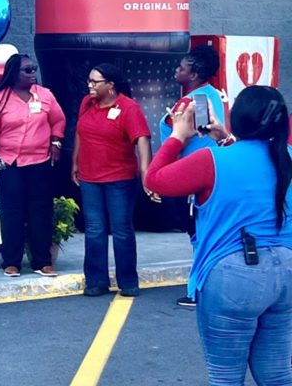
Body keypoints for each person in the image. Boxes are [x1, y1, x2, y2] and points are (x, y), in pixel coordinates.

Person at [145, 87, 292, 385]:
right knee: (276, 373)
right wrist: (225, 138)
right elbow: (255, 162)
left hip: (233, 274)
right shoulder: (286, 156)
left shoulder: (210, 162)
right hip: (286, 272)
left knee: (226, 375)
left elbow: (155, 180)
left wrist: (177, 135)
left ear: (237, 118)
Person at [72, 63, 158, 297]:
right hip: (90, 177)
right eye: (89, 80)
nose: (89, 85)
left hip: (119, 178)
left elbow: (142, 140)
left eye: (94, 82)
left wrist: (145, 174)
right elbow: (80, 132)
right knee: (94, 229)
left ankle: (128, 281)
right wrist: (75, 162)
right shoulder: (86, 104)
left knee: (121, 230)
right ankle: (96, 280)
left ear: (110, 85)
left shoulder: (129, 108)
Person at [0, 54, 66, 278]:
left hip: (40, 162)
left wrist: (56, 141)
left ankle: (42, 262)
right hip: (10, 164)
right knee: (12, 212)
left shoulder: (45, 96)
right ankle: (11, 262)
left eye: (34, 68)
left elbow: (58, 119)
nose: (33, 73)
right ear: (13, 73)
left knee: (40, 212)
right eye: (27, 70)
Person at [159, 44, 226, 307]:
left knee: (199, 236)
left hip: (193, 177)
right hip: (206, 172)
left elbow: (189, 137)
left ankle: (197, 291)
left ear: (194, 74)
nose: (176, 71)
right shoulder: (212, 95)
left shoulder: (194, 100)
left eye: (181, 68)